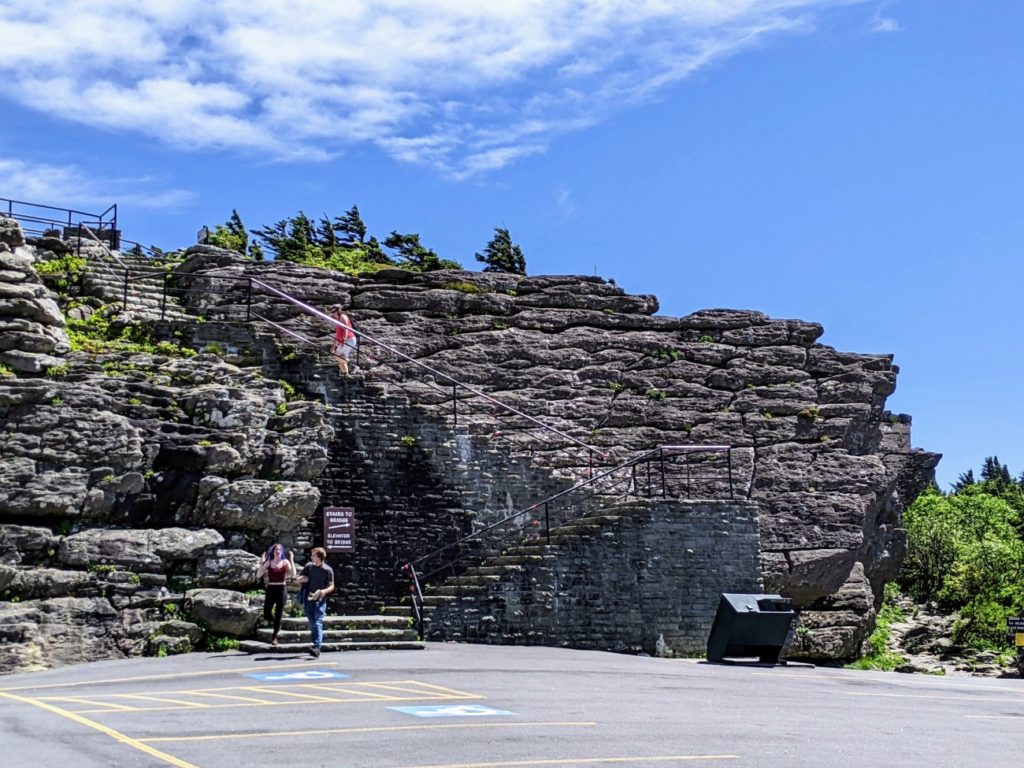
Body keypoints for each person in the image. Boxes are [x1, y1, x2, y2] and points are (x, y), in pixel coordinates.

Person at [296, 546, 335, 657]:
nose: (311, 557)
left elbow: (332, 586)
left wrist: (323, 591)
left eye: (313, 555)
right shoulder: (309, 567)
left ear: (319, 557)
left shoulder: (328, 570)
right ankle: (315, 645)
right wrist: (300, 579)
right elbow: (304, 577)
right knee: (312, 624)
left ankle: (317, 647)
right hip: (308, 599)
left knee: (318, 622)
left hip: (320, 600)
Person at [255, 543, 295, 646]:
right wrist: (262, 562)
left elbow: (293, 575)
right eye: (276, 549)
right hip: (271, 588)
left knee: (278, 613)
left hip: (281, 589)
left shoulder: (285, 562)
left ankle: (274, 637)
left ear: (282, 551)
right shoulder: (269, 562)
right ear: (273, 551)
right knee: (266, 613)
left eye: (279, 549)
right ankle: (277, 622)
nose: (278, 551)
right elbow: (258, 575)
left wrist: (291, 560)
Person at [330, 306, 357, 376]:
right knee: (341, 358)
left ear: (338, 310)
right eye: (332, 312)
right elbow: (338, 335)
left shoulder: (342, 316)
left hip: (349, 339)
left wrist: (344, 340)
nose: (333, 313)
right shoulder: (337, 320)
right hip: (344, 340)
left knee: (338, 355)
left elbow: (346, 329)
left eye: (334, 311)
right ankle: (345, 374)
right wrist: (333, 346)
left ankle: (352, 365)